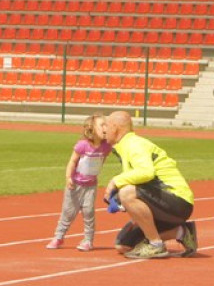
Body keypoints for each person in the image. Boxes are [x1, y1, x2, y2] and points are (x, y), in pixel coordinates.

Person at [102, 110, 197, 259]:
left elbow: (146, 172)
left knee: (127, 192)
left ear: (115, 127)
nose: (103, 130)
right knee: (123, 245)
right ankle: (182, 232)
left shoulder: (134, 144)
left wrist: (116, 181)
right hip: (162, 202)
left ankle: (155, 245)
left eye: (105, 126)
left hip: (177, 200)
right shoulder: (124, 146)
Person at [46, 113, 113, 252]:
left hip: (91, 186)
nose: (106, 128)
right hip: (75, 185)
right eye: (102, 125)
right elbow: (73, 161)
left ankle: (88, 240)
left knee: (88, 212)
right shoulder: (82, 145)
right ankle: (59, 236)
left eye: (107, 125)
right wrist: (68, 177)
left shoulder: (106, 147)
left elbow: (102, 159)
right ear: (92, 128)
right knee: (68, 212)